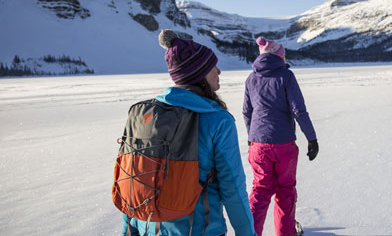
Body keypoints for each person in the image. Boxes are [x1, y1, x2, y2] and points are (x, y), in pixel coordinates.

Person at [122, 29, 256, 236]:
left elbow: (132, 178)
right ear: (199, 73)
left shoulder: (142, 114)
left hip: (148, 227)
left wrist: (127, 230)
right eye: (213, 67)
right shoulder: (217, 119)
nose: (219, 72)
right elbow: (233, 189)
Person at [243, 37, 319, 236]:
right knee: (285, 191)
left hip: (258, 145)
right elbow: (299, 111)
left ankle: (251, 233)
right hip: (284, 144)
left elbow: (246, 112)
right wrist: (312, 139)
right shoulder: (286, 76)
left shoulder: (251, 78)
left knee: (260, 190)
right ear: (279, 56)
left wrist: (252, 137)